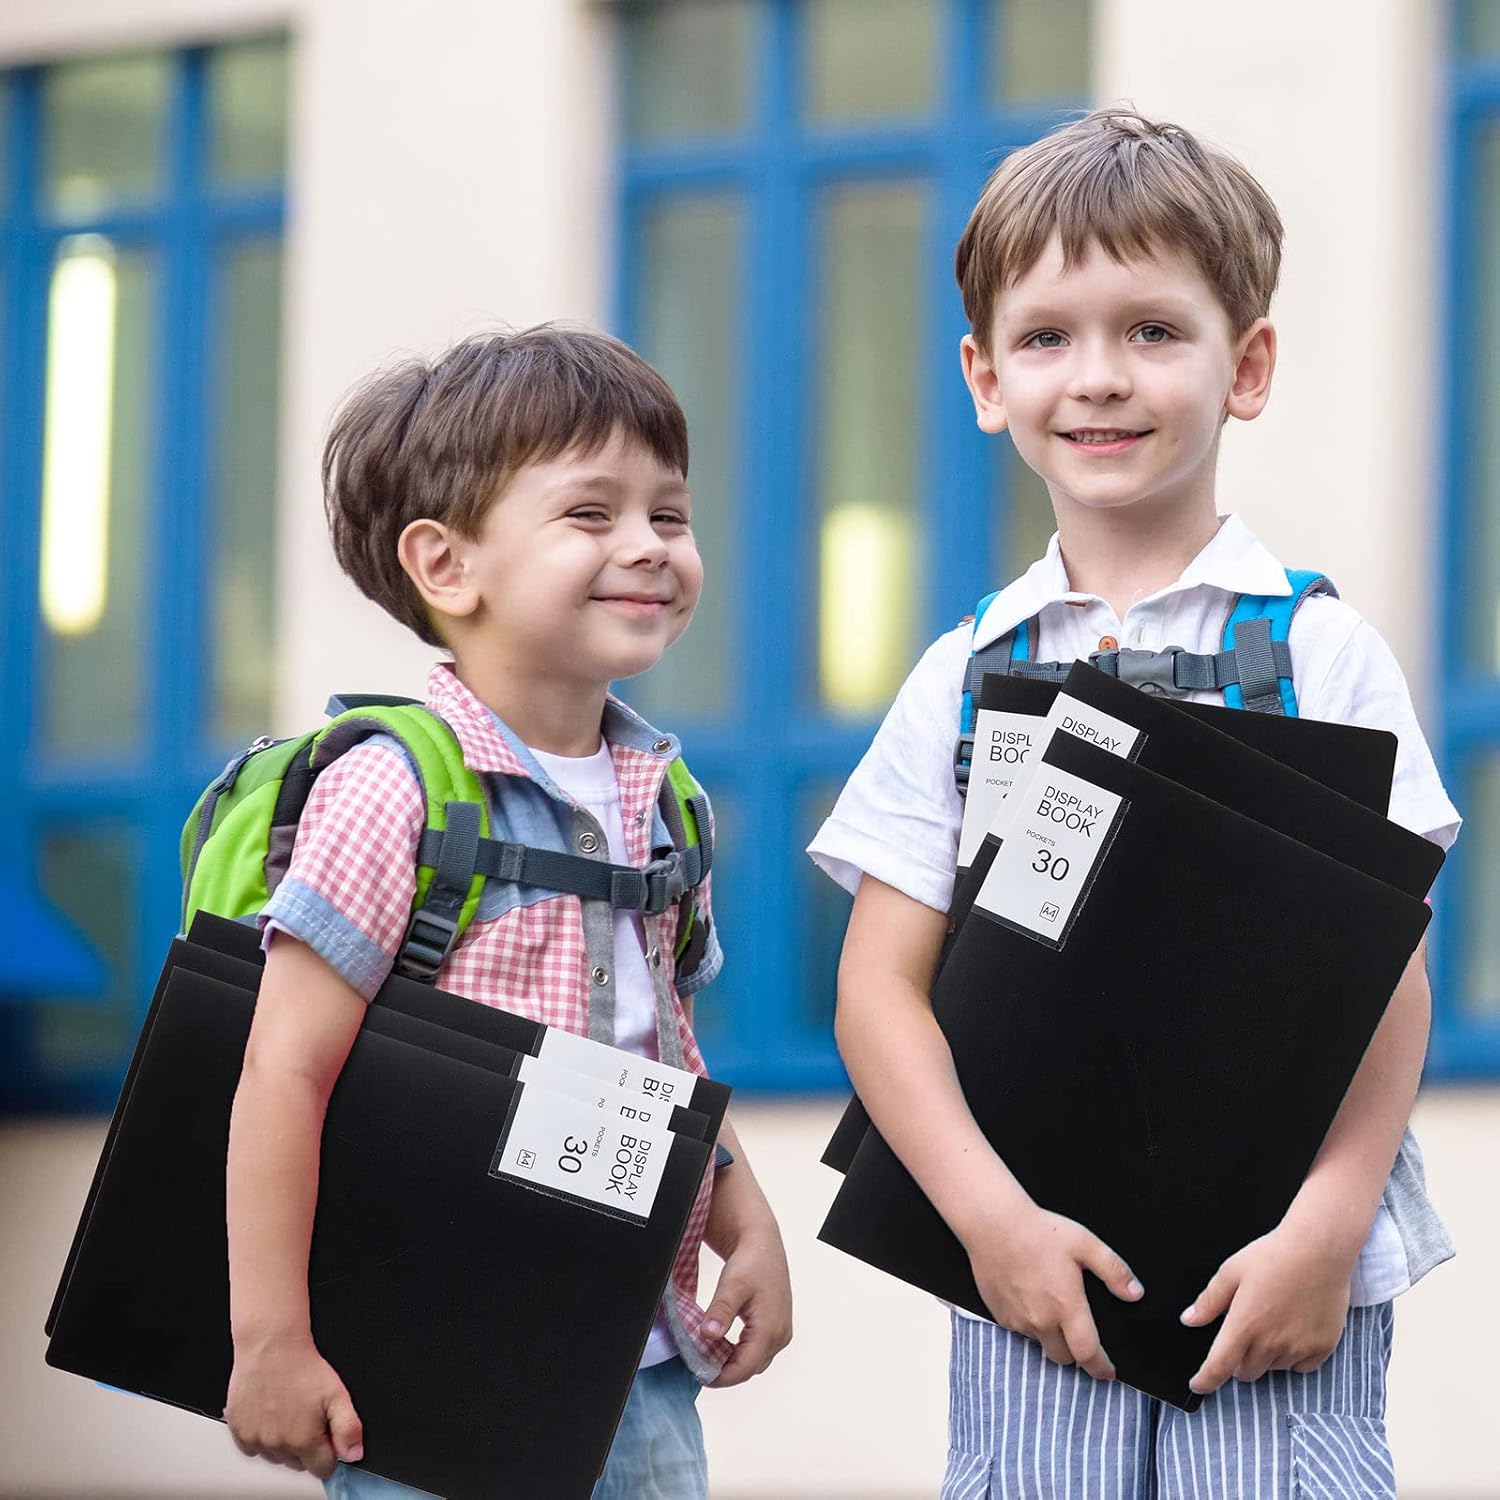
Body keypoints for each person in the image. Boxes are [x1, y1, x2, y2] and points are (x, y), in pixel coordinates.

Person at [808, 108, 1459, 1498]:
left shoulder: (1323, 653)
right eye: (1047, 337)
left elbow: (1387, 980)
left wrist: (1333, 1224)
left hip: (1276, 1278)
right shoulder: (964, 676)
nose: (1099, 376)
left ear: (1248, 365)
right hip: (1031, 1271)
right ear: (987, 377)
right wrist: (989, 1222)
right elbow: (878, 992)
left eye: (1154, 331)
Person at [223, 324, 792, 1499]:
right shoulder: (395, 791)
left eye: (669, 515)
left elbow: (663, 1048)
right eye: (591, 513)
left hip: (636, 1356)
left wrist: (743, 1208)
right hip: (430, 1365)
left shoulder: (667, 802)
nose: (647, 545)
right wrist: (269, 1342)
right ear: (446, 566)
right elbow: (283, 1070)